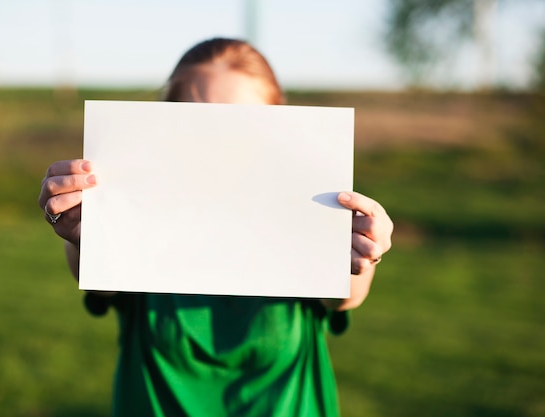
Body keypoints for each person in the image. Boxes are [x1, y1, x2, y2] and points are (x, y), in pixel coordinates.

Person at [38, 38, 393, 417]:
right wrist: (84, 228)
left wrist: (359, 250)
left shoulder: (306, 221)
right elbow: (93, 273)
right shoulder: (138, 225)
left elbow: (346, 294)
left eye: (240, 122)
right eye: (197, 120)